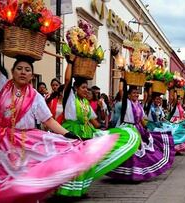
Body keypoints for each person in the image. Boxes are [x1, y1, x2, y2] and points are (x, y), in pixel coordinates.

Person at [0, 29, 119, 202]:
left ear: (32, 75)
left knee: (23, 184)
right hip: (0, 145)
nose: (23, 72)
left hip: (24, 145)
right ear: (13, 71)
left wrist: (67, 134)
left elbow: (48, 120)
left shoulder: (35, 97)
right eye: (19, 69)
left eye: (27, 70)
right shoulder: (3, 86)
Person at [56, 59, 140, 197]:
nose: (86, 90)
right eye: (83, 87)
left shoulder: (85, 102)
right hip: (72, 132)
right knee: (71, 163)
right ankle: (64, 192)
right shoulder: (70, 98)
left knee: (86, 163)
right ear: (75, 89)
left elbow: (93, 121)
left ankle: (80, 190)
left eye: (87, 88)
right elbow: (67, 79)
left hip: (87, 133)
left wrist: (105, 131)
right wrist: (70, 62)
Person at [107, 83, 175, 181]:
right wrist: (123, 80)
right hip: (127, 127)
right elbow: (122, 91)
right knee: (130, 150)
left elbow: (141, 119)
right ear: (128, 95)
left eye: (137, 93)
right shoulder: (126, 102)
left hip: (137, 128)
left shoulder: (138, 104)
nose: (136, 95)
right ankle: (126, 173)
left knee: (142, 150)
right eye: (134, 93)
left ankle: (137, 172)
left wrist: (146, 128)